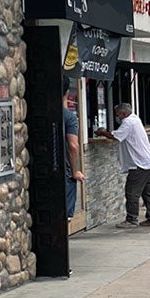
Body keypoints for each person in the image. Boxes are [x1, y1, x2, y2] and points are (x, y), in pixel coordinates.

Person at [95, 103, 150, 228]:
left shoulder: (128, 123)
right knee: (148, 192)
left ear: (123, 114)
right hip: (148, 162)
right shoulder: (135, 119)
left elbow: (115, 136)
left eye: (118, 115)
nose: (117, 117)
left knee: (132, 192)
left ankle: (131, 219)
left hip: (140, 164)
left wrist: (102, 133)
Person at [63, 86, 84, 221]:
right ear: (67, 93)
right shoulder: (69, 117)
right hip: (64, 168)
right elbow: (73, 145)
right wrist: (75, 171)